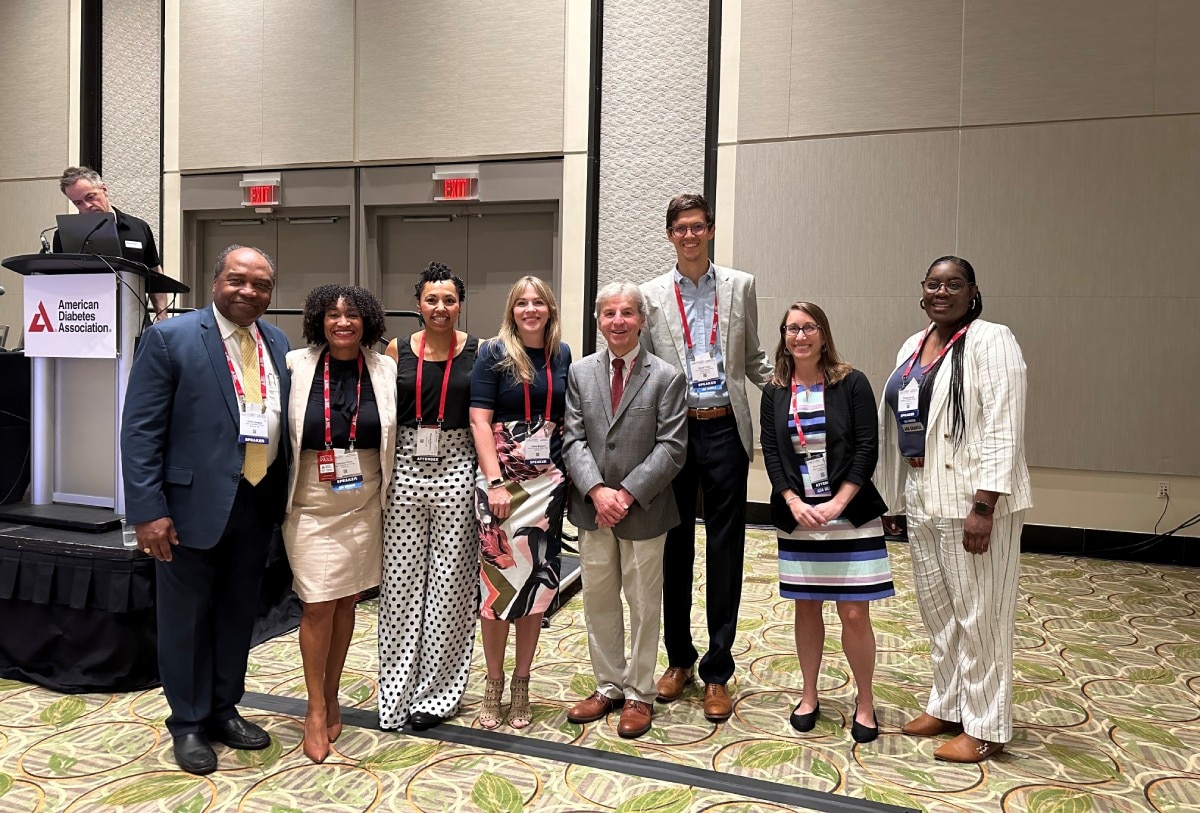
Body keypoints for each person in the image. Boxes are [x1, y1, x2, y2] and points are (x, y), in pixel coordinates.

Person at [121, 245, 290, 775]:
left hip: (257, 502)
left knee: (237, 613)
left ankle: (223, 708)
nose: (249, 291)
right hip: (188, 507)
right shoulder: (170, 338)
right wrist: (147, 510)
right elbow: (139, 431)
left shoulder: (277, 341)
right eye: (238, 280)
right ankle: (188, 722)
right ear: (214, 282)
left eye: (261, 284)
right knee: (185, 620)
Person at [876, 256, 1031, 763]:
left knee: (981, 615)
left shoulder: (991, 339)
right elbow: (901, 426)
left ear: (972, 292)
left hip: (973, 501)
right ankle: (948, 704)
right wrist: (896, 498)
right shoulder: (913, 345)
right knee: (939, 612)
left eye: (954, 284)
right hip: (923, 495)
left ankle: (986, 726)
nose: (942, 292)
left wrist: (985, 504)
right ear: (922, 291)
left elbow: (1005, 425)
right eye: (934, 284)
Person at [639, 193, 772, 722]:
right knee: (674, 550)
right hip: (673, 435)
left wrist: (801, 389)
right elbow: (645, 368)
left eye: (698, 226)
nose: (689, 236)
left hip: (724, 430)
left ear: (710, 230)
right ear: (670, 234)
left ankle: (718, 669)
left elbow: (755, 356)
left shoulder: (740, 286)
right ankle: (679, 659)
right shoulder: (650, 295)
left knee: (725, 551)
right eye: (680, 228)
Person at [759, 302, 894, 744]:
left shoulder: (850, 382)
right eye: (791, 329)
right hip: (799, 518)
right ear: (783, 336)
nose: (800, 336)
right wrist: (793, 501)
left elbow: (866, 448)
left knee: (854, 612)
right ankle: (809, 693)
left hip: (849, 515)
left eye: (808, 327)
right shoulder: (775, 390)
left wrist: (839, 502)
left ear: (823, 333)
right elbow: (773, 454)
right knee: (807, 606)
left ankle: (866, 700)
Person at [562, 282, 687, 739]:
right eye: (609, 313)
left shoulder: (667, 377)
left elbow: (673, 448)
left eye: (627, 313)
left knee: (642, 603)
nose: (618, 321)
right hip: (593, 509)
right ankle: (608, 685)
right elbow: (572, 439)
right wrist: (597, 491)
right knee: (598, 600)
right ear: (599, 320)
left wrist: (626, 495)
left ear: (642, 320)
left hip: (645, 510)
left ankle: (639, 692)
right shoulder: (580, 373)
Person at [281, 284, 396, 763]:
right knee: (316, 604)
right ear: (319, 320)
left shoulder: (385, 368)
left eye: (351, 315)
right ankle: (313, 707)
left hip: (364, 494)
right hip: (309, 497)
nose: (342, 322)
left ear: (366, 321)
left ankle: (332, 695)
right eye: (332, 314)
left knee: (346, 599)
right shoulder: (295, 365)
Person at [378, 263, 480, 732]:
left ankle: (437, 695)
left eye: (450, 300)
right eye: (431, 300)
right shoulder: (396, 349)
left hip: (458, 464)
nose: (441, 308)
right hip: (404, 464)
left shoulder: (478, 352)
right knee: (399, 584)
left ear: (461, 304)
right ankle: (396, 692)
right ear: (418, 303)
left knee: (451, 585)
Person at [469, 275, 571, 730]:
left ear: (549, 309)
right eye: (521, 303)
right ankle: (493, 682)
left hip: (548, 487)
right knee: (497, 591)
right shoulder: (493, 352)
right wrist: (494, 482)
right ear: (511, 310)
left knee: (537, 590)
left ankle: (522, 682)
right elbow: (478, 419)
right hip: (502, 484)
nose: (530, 310)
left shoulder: (562, 354)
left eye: (538, 303)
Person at [57, 166, 170, 320]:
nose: (86, 206)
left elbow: (155, 272)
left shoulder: (138, 228)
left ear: (104, 189)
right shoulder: (65, 235)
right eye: (78, 203)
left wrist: (162, 315)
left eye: (90, 197)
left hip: (134, 320)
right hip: (86, 323)